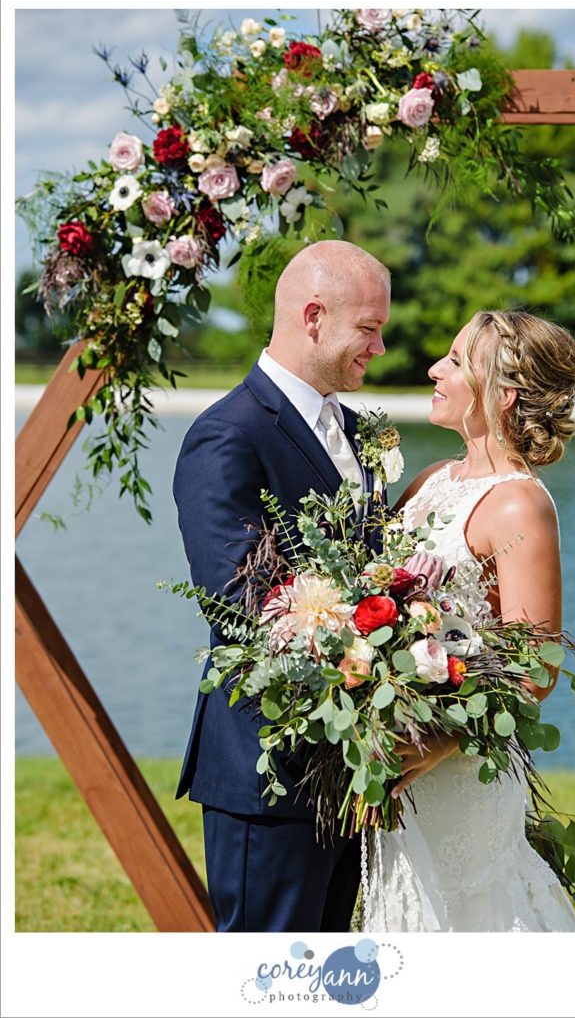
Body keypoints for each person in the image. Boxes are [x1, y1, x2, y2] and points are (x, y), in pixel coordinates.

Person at [172, 240, 391, 932]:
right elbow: (238, 601)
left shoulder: (359, 433)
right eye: (370, 328)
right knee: (266, 977)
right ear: (315, 316)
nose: (380, 348)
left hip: (353, 763)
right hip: (268, 770)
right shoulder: (227, 435)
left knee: (329, 972)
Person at [361, 309, 575, 932]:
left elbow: (535, 668)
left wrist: (434, 745)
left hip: (457, 766)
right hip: (398, 749)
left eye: (456, 361)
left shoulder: (518, 503)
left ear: (503, 394)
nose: (435, 368)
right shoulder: (433, 481)